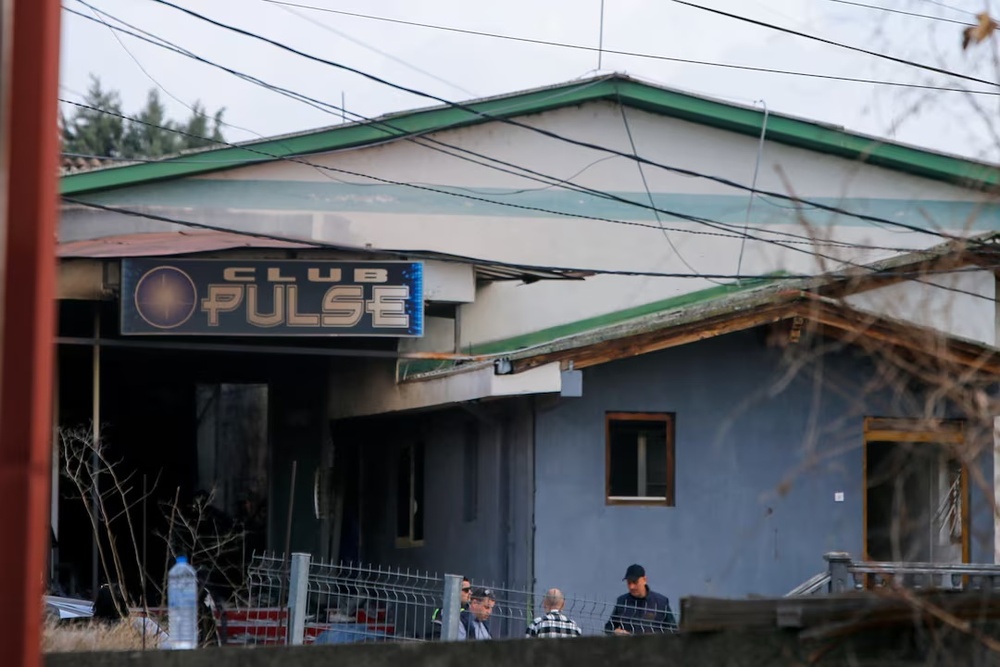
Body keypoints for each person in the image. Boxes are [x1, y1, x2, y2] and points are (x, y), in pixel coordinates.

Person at [604, 564, 676, 635]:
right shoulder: (622, 602)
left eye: (635, 582)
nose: (631, 587)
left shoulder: (661, 602)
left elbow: (673, 629)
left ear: (645, 580)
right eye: (629, 583)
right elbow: (608, 627)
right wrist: (616, 632)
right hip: (628, 645)